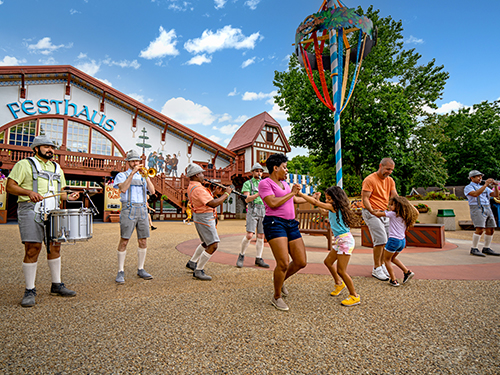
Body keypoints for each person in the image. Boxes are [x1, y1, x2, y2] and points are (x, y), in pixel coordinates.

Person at [6, 135, 80, 307]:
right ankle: (29, 290)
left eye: (52, 147)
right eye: (46, 146)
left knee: (55, 247)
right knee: (33, 248)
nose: (50, 150)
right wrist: (28, 192)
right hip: (30, 210)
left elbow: (61, 192)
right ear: (36, 148)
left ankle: (56, 285)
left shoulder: (57, 168)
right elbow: (10, 186)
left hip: (53, 211)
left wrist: (69, 196)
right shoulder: (24, 164)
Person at [259, 153, 308, 311]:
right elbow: (272, 203)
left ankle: (279, 280)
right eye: (284, 167)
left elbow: (293, 200)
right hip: (275, 223)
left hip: (291, 224)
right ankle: (276, 296)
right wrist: (292, 193)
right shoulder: (265, 183)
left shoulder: (285, 185)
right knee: (283, 263)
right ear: (275, 168)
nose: (286, 170)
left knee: (301, 262)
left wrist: (310, 197)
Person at [298, 187, 361, 306]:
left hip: (345, 241)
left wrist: (300, 193)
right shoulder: (334, 208)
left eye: (329, 199)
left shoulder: (335, 207)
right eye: (326, 199)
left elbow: (316, 203)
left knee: (341, 270)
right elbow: (322, 211)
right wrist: (316, 198)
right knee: (328, 262)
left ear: (336, 199)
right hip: (340, 240)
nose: (327, 201)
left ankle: (354, 295)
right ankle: (339, 283)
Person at [114, 150, 155, 284]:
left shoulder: (143, 176)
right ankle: (120, 271)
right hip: (128, 208)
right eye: (132, 161)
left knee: (143, 241)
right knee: (124, 240)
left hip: (142, 209)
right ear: (128, 162)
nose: (135, 163)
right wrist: (132, 173)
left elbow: (153, 191)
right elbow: (123, 189)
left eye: (137, 161)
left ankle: (141, 268)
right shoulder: (122, 175)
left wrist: (147, 176)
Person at [184, 163, 231, 280]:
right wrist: (226, 193)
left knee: (206, 242)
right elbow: (213, 203)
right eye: (200, 173)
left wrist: (214, 193)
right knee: (213, 245)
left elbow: (205, 199)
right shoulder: (198, 189)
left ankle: (192, 262)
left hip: (200, 216)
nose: (202, 175)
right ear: (195, 175)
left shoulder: (193, 186)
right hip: (205, 217)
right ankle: (199, 270)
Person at [361, 158, 398, 281]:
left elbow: (394, 196)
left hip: (384, 212)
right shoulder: (369, 180)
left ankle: (382, 266)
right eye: (387, 169)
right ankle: (376, 268)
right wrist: (372, 211)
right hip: (370, 212)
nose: (389, 172)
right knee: (381, 239)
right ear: (380, 166)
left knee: (387, 241)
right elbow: (365, 198)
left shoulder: (390, 180)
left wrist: (402, 207)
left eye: (391, 170)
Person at [373, 196, 418, 286]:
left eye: (392, 205)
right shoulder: (406, 215)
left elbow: (377, 214)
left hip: (393, 241)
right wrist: (408, 204)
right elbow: (416, 212)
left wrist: (374, 210)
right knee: (392, 258)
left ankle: (393, 280)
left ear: (398, 206)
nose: (389, 206)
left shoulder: (393, 214)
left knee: (386, 260)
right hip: (402, 241)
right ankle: (407, 271)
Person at [236, 163, 269, 268]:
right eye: (256, 171)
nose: (259, 173)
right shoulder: (247, 183)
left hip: (263, 210)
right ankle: (241, 255)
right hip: (252, 209)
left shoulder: (264, 183)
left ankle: (258, 258)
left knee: (261, 236)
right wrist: (258, 194)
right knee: (250, 235)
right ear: (252, 172)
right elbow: (247, 199)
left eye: (260, 171)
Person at [464, 170, 500, 256]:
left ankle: (486, 248)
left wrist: (495, 186)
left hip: (487, 207)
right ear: (472, 178)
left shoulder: (485, 187)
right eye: (478, 176)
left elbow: (495, 195)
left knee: (491, 228)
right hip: (477, 208)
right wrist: (486, 185)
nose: (480, 178)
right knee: (480, 228)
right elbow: (475, 194)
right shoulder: (468, 187)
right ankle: (474, 248)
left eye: (481, 176)